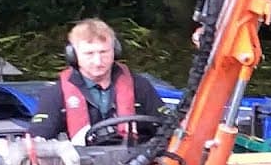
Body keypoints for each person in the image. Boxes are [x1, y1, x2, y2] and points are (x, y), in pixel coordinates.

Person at [27, 19, 170, 145]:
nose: (98, 61)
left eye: (104, 52)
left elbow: (169, 128)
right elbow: (38, 138)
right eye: (89, 54)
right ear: (73, 55)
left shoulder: (140, 86)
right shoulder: (55, 94)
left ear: (115, 51)